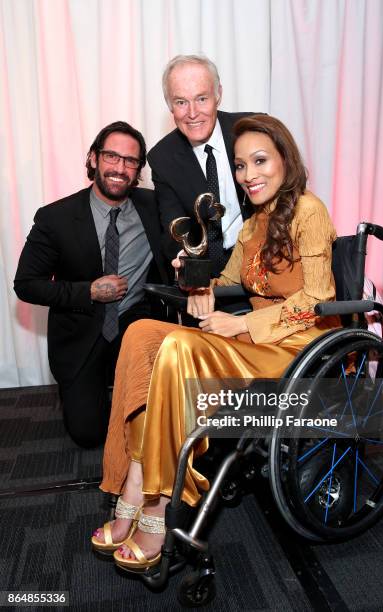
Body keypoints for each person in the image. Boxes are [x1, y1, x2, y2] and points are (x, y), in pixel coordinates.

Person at [91, 115, 340, 571]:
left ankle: (156, 504)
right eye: (242, 165)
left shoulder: (308, 209)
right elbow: (228, 280)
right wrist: (199, 281)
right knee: (143, 333)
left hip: (296, 347)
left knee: (180, 347)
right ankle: (135, 476)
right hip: (257, 339)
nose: (250, 175)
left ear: (286, 159)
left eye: (260, 161)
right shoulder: (252, 225)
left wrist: (243, 325)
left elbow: (319, 297)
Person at [14, 121, 168, 448]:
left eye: (130, 161)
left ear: (139, 168)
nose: (120, 168)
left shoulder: (154, 207)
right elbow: (26, 284)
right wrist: (88, 291)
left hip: (135, 325)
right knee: (88, 435)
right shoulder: (54, 218)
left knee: (162, 423)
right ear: (94, 158)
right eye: (112, 156)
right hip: (82, 334)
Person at [147, 54, 256, 276]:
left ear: (218, 95)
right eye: (181, 102)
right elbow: (173, 226)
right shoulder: (162, 157)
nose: (193, 113)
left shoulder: (253, 130)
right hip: (206, 275)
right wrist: (182, 258)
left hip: (261, 262)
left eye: (202, 99)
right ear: (170, 107)